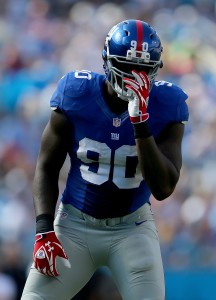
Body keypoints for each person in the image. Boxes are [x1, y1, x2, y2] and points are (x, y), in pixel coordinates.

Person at [21, 19, 189, 300]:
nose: (135, 77)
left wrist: (140, 124)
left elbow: (163, 189)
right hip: (74, 226)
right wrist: (44, 231)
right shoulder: (76, 93)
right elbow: (47, 166)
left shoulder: (167, 104)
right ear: (107, 61)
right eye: (126, 67)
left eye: (144, 69)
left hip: (132, 229)